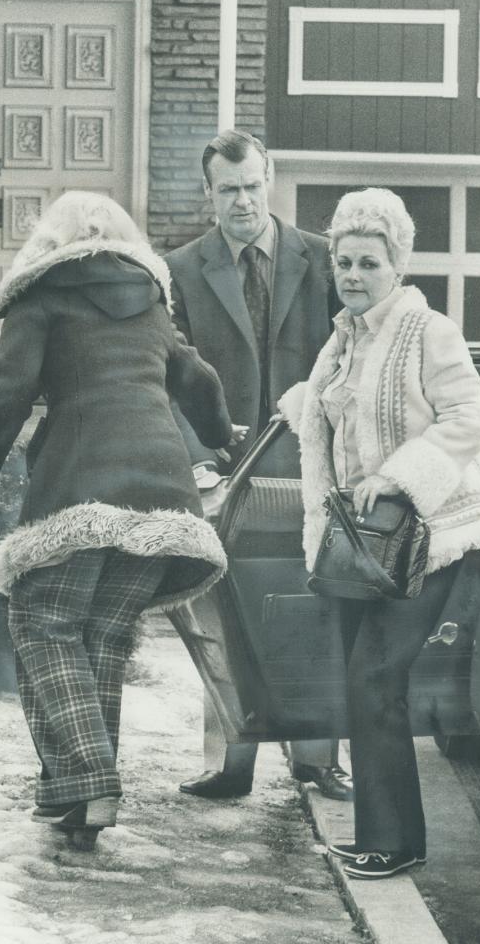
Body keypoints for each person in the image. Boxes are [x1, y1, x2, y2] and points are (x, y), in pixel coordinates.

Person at [0, 191, 242, 845]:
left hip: (82, 480)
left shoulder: (41, 295)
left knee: (42, 624)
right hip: (162, 484)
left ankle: (92, 782)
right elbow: (197, 379)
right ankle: (72, 802)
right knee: (101, 639)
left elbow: (10, 388)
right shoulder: (150, 301)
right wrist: (221, 437)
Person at [278, 188, 480, 879]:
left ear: (396, 265)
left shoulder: (426, 330)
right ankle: (384, 834)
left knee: (374, 676)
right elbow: (339, 422)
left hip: (432, 534)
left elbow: (469, 418)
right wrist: (306, 409)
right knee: (365, 685)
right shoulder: (341, 337)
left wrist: (402, 475)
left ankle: (396, 842)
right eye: (343, 262)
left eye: (368, 263)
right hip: (366, 545)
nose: (352, 274)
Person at [166, 129, 352, 801]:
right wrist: (198, 462)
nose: (241, 202)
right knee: (226, 615)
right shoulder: (182, 270)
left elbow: (353, 356)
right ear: (208, 192)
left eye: (251, 187)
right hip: (226, 472)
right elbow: (170, 374)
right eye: (227, 190)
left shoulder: (324, 259)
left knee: (318, 603)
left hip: (312, 466)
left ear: (269, 181)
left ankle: (315, 758)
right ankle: (230, 764)